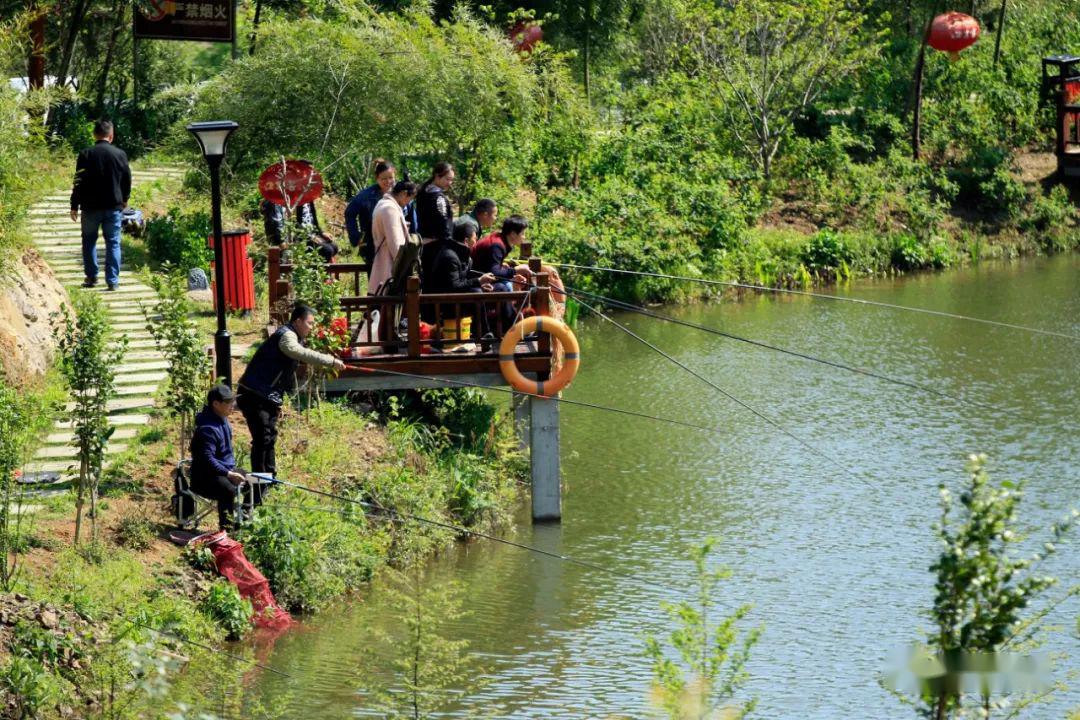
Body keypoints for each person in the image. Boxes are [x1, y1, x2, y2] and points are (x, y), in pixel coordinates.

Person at [237, 304, 346, 475]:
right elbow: (298, 352)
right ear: (297, 321)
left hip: (266, 395)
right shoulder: (287, 335)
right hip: (254, 393)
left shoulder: (293, 334)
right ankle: (259, 484)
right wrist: (330, 361)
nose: (312, 328)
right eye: (309, 323)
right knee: (262, 439)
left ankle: (270, 478)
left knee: (269, 438)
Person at [70, 119, 131, 290]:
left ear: (94, 134)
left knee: (89, 241)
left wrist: (74, 205)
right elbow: (127, 179)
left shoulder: (85, 154)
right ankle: (112, 281)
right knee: (113, 242)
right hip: (113, 207)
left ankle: (91, 278)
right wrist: (124, 198)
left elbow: (78, 182)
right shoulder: (120, 154)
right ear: (111, 136)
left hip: (90, 208)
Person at [421, 222, 496, 343]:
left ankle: (486, 333)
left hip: (452, 298)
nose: (476, 242)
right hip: (440, 303)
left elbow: (462, 280)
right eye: (475, 239)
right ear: (466, 241)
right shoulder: (450, 257)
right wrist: (478, 281)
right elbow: (454, 286)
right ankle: (484, 334)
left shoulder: (461, 254)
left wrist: (480, 283)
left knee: (486, 290)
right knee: (476, 293)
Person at [189, 385, 250, 530]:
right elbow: (206, 460)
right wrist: (228, 473)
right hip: (205, 478)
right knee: (228, 489)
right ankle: (226, 530)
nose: (233, 405)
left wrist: (230, 472)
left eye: (233, 400)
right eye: (228, 402)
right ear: (216, 404)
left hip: (225, 471)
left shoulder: (223, 420)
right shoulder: (207, 429)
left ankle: (243, 518)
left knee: (258, 481)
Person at [344, 159, 396, 268]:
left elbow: (411, 214)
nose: (388, 181)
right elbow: (349, 213)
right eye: (383, 179)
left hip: (396, 243)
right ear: (377, 179)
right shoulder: (366, 196)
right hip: (373, 245)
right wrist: (356, 237)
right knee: (376, 281)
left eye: (391, 178)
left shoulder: (399, 192)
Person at [370, 180, 418, 295]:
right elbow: (397, 246)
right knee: (388, 306)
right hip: (389, 266)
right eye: (409, 199)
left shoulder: (382, 204)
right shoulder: (390, 209)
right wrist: (406, 268)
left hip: (382, 261)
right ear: (403, 193)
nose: (408, 203)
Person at [261, 199, 339, 261]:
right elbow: (292, 222)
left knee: (334, 247)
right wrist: (280, 241)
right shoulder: (278, 200)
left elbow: (313, 218)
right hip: (293, 237)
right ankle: (317, 277)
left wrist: (321, 232)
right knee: (327, 250)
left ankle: (324, 275)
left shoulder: (306, 196)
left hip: (308, 233)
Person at [415, 162, 456, 275]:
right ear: (437, 176)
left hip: (424, 243)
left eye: (451, 180)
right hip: (437, 247)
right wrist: (450, 243)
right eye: (448, 179)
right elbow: (443, 224)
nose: (450, 183)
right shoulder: (438, 197)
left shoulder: (422, 192)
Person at [472, 215, 528, 293]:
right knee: (508, 286)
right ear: (513, 234)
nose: (524, 237)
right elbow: (495, 273)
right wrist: (516, 270)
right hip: (474, 279)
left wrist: (507, 270)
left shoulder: (500, 238)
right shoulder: (497, 245)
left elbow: (492, 265)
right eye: (523, 233)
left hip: (481, 275)